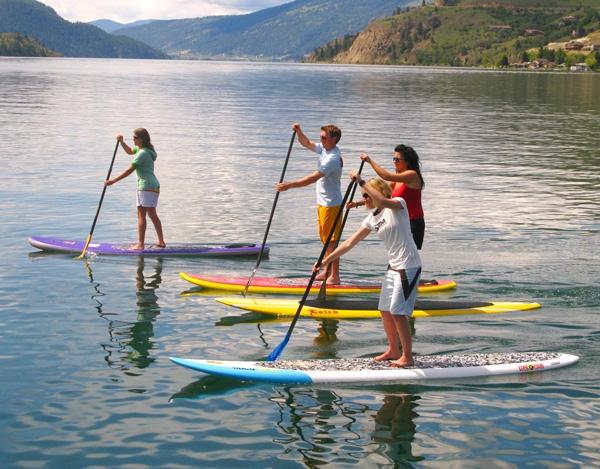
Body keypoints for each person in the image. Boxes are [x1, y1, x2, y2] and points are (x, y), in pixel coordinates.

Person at [316, 173, 422, 367]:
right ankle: (393, 350)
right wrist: (326, 261)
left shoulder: (398, 205)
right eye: (363, 195)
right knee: (384, 310)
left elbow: (382, 200)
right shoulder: (372, 218)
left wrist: (362, 182)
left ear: (377, 191)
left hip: (408, 265)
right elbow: (349, 243)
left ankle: (407, 357)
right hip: (393, 267)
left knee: (398, 312)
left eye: (367, 195)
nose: (364, 199)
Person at [276, 122, 343, 284]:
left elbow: (313, 178)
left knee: (331, 242)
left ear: (334, 139)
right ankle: (327, 272)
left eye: (324, 137)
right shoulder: (325, 149)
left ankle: (335, 276)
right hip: (323, 203)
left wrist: (290, 185)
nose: (321, 140)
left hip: (331, 205)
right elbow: (306, 143)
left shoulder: (333, 158)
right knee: (326, 241)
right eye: (321, 137)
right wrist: (299, 131)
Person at [105, 128, 166, 250]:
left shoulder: (142, 153)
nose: (133, 139)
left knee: (141, 215)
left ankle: (140, 244)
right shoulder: (146, 150)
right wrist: (121, 142)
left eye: (135, 137)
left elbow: (130, 170)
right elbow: (129, 151)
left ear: (142, 139)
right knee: (152, 214)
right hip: (153, 186)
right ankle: (161, 242)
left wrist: (113, 180)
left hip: (145, 186)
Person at [354, 145, 425, 249]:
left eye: (397, 159)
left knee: (410, 254)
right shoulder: (398, 179)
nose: (394, 162)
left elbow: (386, 176)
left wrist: (369, 160)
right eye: (393, 159)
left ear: (407, 161)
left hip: (413, 223)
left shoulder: (412, 175)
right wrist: (357, 203)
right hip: (400, 220)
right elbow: (382, 197)